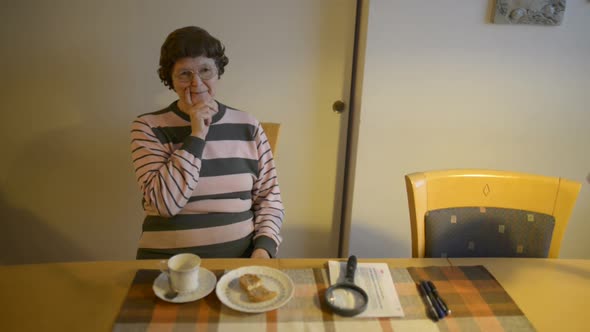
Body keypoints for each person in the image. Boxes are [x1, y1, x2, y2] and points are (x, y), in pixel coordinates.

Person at [130, 26, 283, 259]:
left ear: (218, 72)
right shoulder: (147, 127)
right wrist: (197, 135)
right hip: (165, 265)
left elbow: (269, 199)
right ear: (169, 78)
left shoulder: (248, 126)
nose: (197, 83)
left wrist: (263, 250)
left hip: (238, 263)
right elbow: (165, 204)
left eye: (205, 70)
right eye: (184, 73)